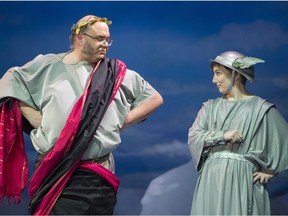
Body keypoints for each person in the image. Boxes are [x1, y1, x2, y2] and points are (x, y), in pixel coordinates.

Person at [0, 15, 163, 215]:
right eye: (99, 38)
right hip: (55, 170)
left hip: (97, 176)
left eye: (107, 39)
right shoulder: (48, 65)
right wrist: (31, 115)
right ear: (80, 37)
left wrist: (122, 121)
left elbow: (154, 99)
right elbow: (8, 83)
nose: (105, 45)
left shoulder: (116, 73)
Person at [188, 51, 288, 215]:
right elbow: (194, 136)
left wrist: (271, 171)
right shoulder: (210, 107)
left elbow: (285, 141)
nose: (214, 80)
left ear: (236, 74)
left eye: (218, 73)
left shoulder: (260, 109)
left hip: (242, 180)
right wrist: (222, 135)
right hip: (211, 179)